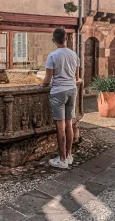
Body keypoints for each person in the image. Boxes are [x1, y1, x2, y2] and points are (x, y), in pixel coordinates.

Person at [41, 29, 80, 169]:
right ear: (66, 39)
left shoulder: (52, 56)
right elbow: (76, 77)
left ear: (54, 40)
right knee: (69, 124)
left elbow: (47, 79)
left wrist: (42, 84)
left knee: (60, 126)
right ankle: (68, 156)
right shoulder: (74, 55)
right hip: (72, 90)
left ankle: (62, 159)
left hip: (58, 91)